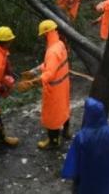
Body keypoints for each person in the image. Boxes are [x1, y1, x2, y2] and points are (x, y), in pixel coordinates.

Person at [18, 20, 71, 149]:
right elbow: (50, 65)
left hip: (54, 88)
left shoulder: (52, 51)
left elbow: (50, 74)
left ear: (46, 33)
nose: (41, 37)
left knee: (52, 115)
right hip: (64, 84)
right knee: (63, 108)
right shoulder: (59, 44)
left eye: (42, 35)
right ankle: (66, 132)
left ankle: (53, 142)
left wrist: (32, 83)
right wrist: (34, 71)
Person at [62, 97, 109, 194]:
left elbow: (73, 162)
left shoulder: (82, 137)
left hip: (87, 181)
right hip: (107, 179)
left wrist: (70, 175)